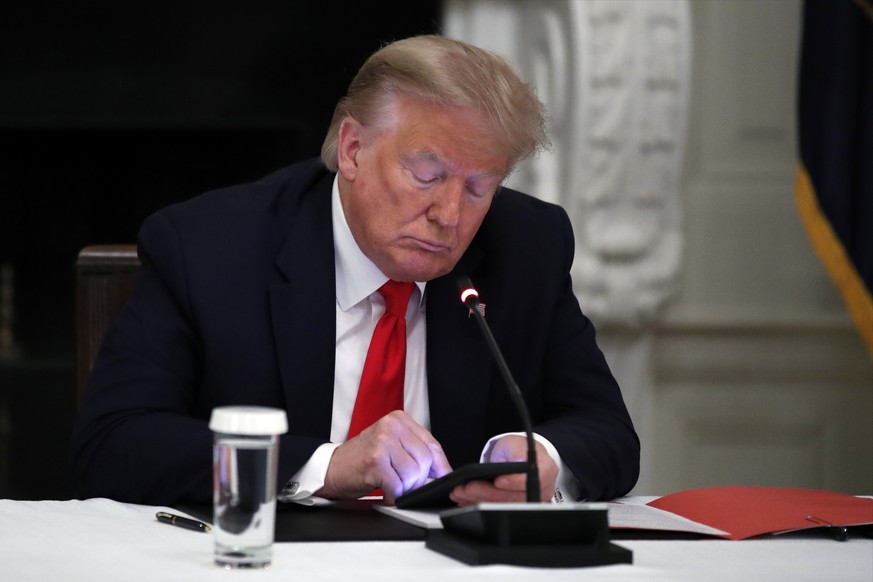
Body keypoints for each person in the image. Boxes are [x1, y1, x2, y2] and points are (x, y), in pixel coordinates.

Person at [71, 34, 639, 507]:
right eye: (425, 174)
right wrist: (324, 466)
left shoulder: (526, 246)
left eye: (478, 187)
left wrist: (541, 458)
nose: (449, 214)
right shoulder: (210, 247)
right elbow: (114, 444)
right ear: (352, 148)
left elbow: (607, 432)